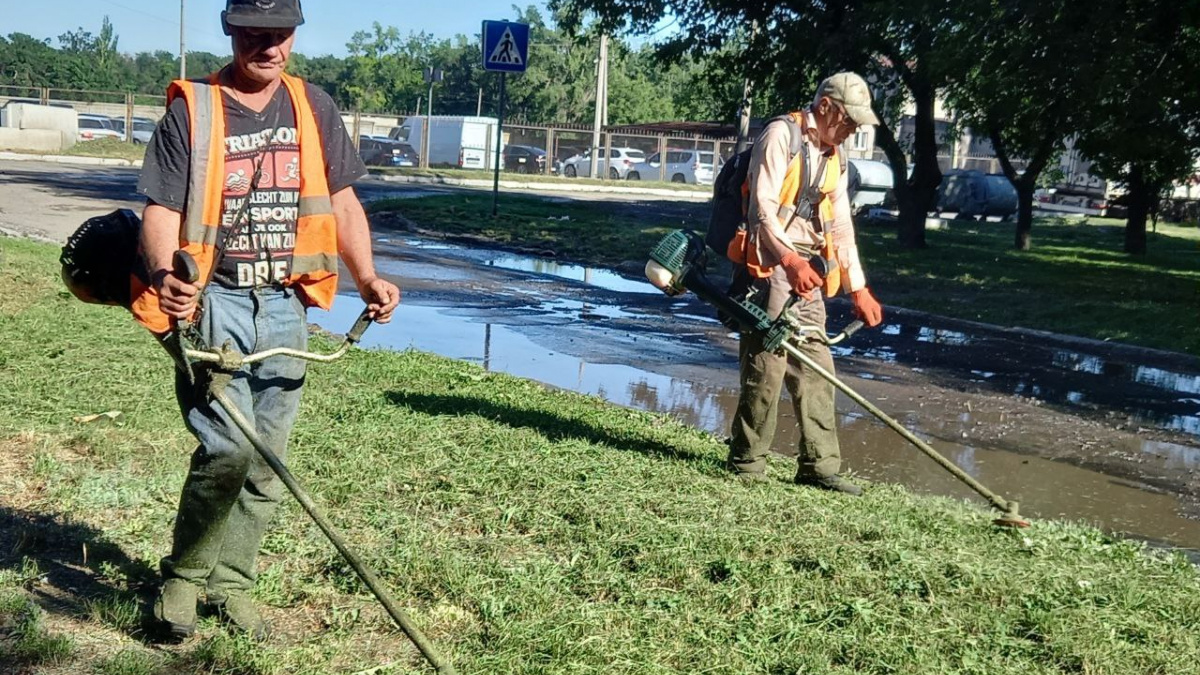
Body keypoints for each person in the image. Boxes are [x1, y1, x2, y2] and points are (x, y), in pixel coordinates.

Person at [131, 0, 400, 639]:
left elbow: (341, 200)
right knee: (226, 445)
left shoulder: (314, 106)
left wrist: (367, 277)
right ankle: (185, 580)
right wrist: (168, 274)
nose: (270, 48)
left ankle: (232, 586)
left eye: (281, 35)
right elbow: (160, 211)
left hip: (285, 303)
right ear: (231, 32)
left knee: (267, 460)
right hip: (214, 303)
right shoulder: (192, 110)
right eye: (256, 34)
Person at [726, 72, 885, 494]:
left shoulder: (836, 153)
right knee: (767, 365)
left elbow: (842, 226)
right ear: (828, 107)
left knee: (817, 364)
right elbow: (761, 210)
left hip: (806, 268)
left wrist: (858, 287)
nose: (854, 129)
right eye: (850, 120)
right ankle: (747, 463)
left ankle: (820, 465)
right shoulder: (782, 135)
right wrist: (790, 260)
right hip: (769, 262)